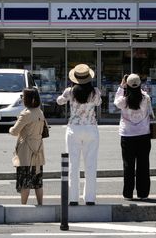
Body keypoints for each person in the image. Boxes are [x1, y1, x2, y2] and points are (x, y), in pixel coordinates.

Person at [57, 63, 102, 205]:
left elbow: (59, 101)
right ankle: (89, 198)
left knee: (73, 164)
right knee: (90, 164)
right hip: (91, 128)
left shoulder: (70, 91)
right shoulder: (95, 91)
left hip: (74, 128)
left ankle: (73, 198)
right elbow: (99, 103)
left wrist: (65, 96)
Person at [114, 73, 153, 200]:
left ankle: (128, 193)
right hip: (143, 134)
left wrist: (122, 86)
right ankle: (143, 193)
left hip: (127, 135)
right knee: (143, 164)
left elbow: (116, 101)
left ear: (127, 85)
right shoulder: (145, 98)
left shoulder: (123, 100)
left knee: (128, 165)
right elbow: (141, 93)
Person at [8, 88, 46, 205]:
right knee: (37, 182)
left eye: (23, 96)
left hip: (26, 151)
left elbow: (14, 131)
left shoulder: (26, 114)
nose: (22, 98)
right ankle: (40, 204)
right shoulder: (40, 112)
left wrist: (10, 129)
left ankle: (23, 206)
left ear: (29, 99)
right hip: (38, 149)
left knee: (25, 181)